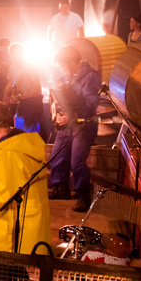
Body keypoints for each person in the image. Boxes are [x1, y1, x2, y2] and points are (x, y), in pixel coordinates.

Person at [0, 101, 51, 254]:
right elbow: (16, 178)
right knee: (17, 276)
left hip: (9, 237)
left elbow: (4, 195)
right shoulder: (22, 143)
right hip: (29, 228)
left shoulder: (6, 152)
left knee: (0, 275)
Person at [47, 45, 101, 212]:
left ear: (72, 62)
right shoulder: (67, 76)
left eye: (63, 65)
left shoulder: (89, 76)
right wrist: (58, 114)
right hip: (67, 125)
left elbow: (91, 103)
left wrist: (72, 115)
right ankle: (60, 188)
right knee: (58, 155)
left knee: (77, 161)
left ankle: (83, 195)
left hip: (83, 125)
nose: (63, 69)